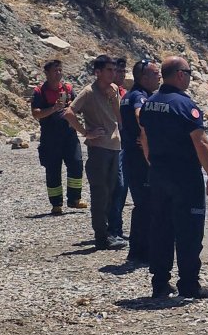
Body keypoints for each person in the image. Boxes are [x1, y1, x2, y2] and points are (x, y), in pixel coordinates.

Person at [140, 57, 208, 299]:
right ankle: (189, 283)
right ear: (180, 75)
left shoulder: (150, 103)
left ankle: (160, 283)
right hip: (184, 176)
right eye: (189, 72)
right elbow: (201, 142)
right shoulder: (185, 105)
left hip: (159, 173)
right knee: (190, 231)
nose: (191, 77)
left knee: (161, 228)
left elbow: (144, 136)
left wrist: (152, 162)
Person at [64, 55, 126, 250]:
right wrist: (85, 133)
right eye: (109, 70)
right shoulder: (88, 92)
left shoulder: (114, 89)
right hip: (98, 149)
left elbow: (118, 116)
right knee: (100, 194)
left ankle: (109, 232)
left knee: (114, 191)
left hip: (115, 147)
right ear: (97, 72)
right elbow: (68, 112)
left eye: (114, 70)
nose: (113, 73)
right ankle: (101, 237)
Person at [30, 59, 85, 215]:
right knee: (53, 170)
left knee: (76, 163)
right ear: (47, 73)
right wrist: (54, 108)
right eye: (55, 70)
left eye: (60, 70)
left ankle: (74, 199)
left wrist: (70, 108)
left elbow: (77, 107)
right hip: (50, 138)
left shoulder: (68, 89)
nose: (59, 73)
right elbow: (36, 113)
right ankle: (56, 204)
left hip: (69, 135)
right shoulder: (39, 91)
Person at [119, 58, 160, 265]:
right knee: (147, 204)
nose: (159, 76)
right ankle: (140, 251)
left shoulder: (128, 94)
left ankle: (139, 250)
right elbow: (140, 115)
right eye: (155, 74)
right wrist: (148, 137)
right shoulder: (139, 96)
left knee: (142, 204)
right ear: (143, 77)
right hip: (140, 157)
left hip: (131, 155)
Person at [107, 57, 129, 242]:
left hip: (124, 144)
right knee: (117, 187)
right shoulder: (105, 92)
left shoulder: (124, 93)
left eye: (123, 71)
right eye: (118, 71)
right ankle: (112, 229)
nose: (121, 75)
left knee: (122, 187)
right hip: (111, 145)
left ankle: (116, 227)